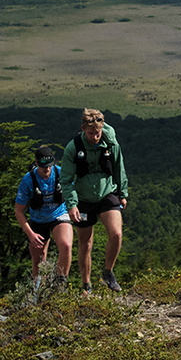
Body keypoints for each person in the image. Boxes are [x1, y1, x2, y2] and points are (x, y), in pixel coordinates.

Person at [60, 108, 129, 295]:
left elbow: (118, 167)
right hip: (83, 198)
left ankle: (108, 272)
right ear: (83, 129)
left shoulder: (110, 142)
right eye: (91, 133)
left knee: (116, 233)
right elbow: (65, 180)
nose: (95, 137)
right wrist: (72, 204)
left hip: (107, 192)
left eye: (98, 132)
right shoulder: (73, 148)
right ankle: (86, 284)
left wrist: (123, 193)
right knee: (86, 243)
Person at [13, 145, 73, 289]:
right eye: (42, 166)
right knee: (39, 262)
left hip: (58, 214)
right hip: (38, 220)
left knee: (66, 245)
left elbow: (73, 193)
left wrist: (74, 208)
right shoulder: (28, 180)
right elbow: (19, 211)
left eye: (49, 166)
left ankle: (60, 282)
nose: (46, 170)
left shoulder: (60, 174)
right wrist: (31, 234)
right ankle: (38, 291)